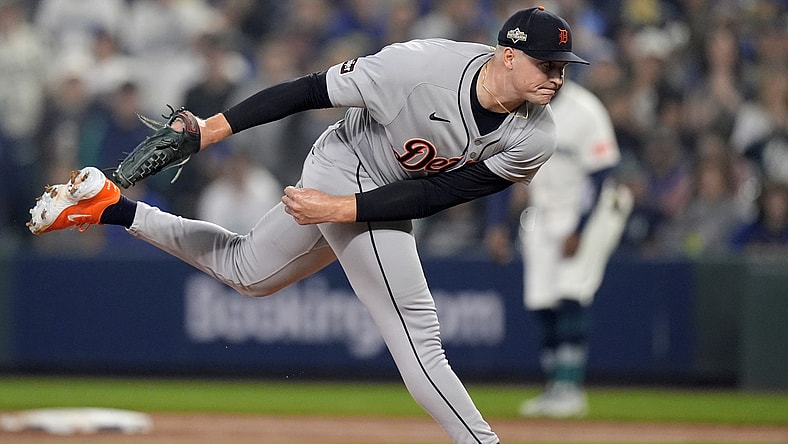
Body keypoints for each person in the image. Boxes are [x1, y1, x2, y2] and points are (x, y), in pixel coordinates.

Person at [27, 7, 588, 443]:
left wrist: (341, 212)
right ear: (507, 55)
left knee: (247, 273)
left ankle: (109, 205)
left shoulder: (535, 136)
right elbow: (307, 90)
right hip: (344, 162)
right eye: (546, 64)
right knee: (418, 332)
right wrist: (210, 131)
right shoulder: (416, 68)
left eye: (562, 68)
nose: (556, 78)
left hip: (373, 194)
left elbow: (441, 192)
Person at [484, 79, 632, 418]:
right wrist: (497, 226)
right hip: (545, 211)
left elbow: (601, 177)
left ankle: (570, 389)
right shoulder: (518, 109)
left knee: (570, 292)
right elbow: (502, 172)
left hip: (592, 211)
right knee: (541, 301)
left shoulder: (586, 110)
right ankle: (555, 387)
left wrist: (579, 229)